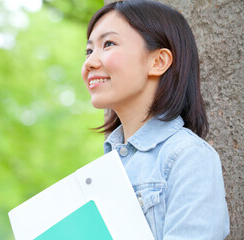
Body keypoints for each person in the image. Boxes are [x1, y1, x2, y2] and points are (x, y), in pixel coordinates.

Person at [81, 1, 230, 239]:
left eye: (108, 44)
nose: (89, 63)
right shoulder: (106, 166)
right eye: (89, 51)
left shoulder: (188, 157)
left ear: (158, 62)